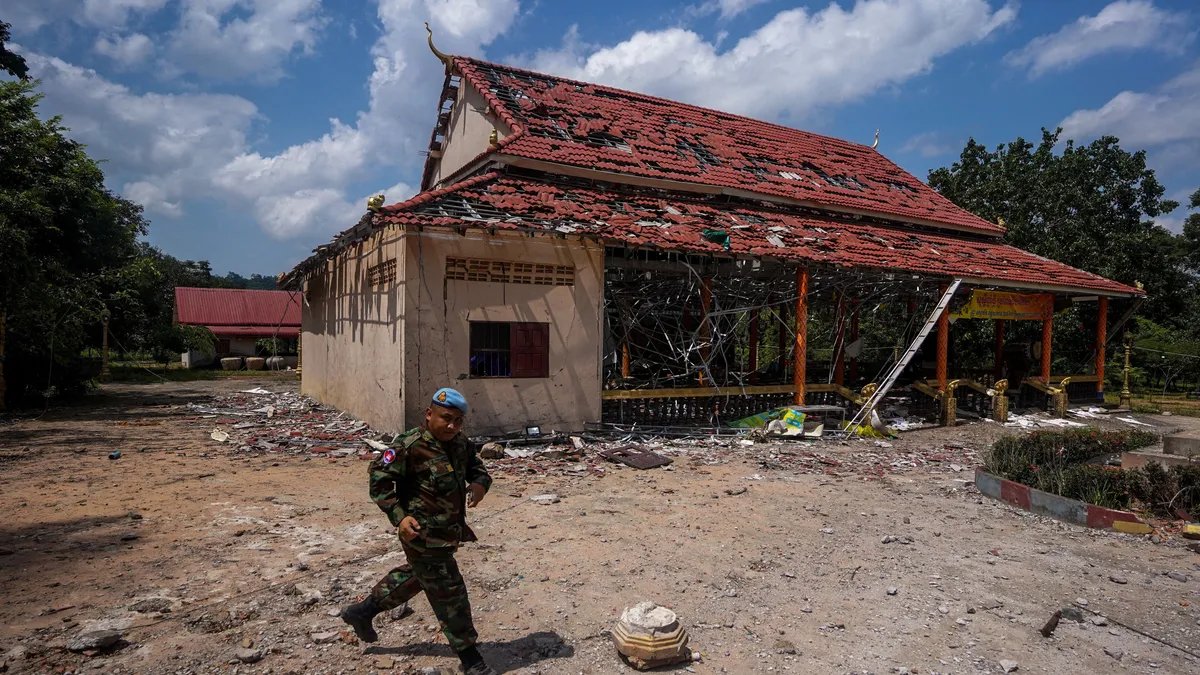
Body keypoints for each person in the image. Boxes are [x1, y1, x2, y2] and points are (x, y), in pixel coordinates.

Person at [340, 387, 496, 675]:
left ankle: (362, 612)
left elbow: (477, 469)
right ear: (429, 414)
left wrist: (479, 485)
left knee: (418, 576)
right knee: (449, 590)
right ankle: (470, 656)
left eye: (458, 421)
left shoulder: (461, 444)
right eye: (446, 418)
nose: (451, 426)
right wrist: (399, 518)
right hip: (419, 533)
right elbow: (379, 480)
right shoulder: (408, 446)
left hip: (448, 532)